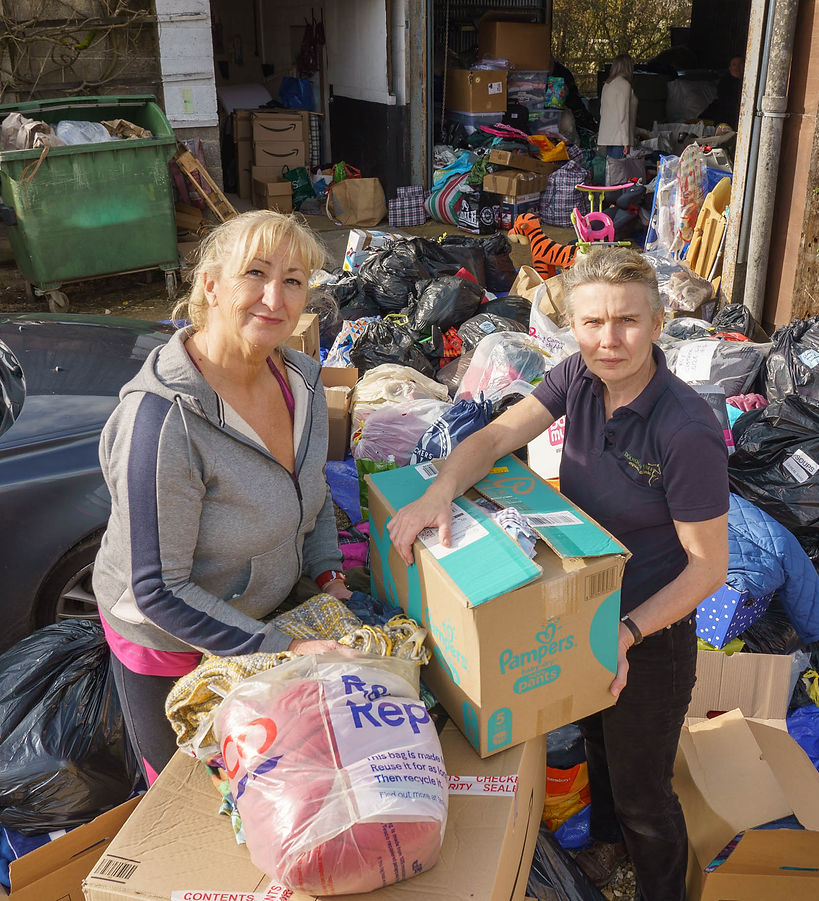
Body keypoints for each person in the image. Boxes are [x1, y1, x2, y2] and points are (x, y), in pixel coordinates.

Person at [387, 247, 729, 901]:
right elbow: (493, 437)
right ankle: (607, 843)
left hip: (647, 632)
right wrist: (439, 492)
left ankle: (662, 887)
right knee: (596, 741)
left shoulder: (685, 429)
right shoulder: (577, 377)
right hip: (584, 608)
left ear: (658, 321)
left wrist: (626, 634)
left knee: (644, 792)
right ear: (573, 325)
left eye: (627, 320)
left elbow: (709, 567)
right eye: (592, 322)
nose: (609, 339)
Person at [93, 210, 353, 786]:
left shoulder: (304, 381)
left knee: (277, 780)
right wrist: (284, 650)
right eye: (254, 274)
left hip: (262, 618)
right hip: (171, 645)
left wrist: (329, 576)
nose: (274, 297)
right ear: (210, 285)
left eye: (293, 280)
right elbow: (157, 589)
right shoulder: (162, 419)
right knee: (191, 794)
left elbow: (309, 493)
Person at [597, 53, 638, 161]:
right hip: (619, 138)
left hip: (607, 136)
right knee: (618, 172)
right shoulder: (624, 84)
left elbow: (602, 111)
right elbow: (623, 115)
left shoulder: (607, 84)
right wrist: (626, 141)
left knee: (610, 171)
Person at [699, 55, 745, 128]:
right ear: (730, 68)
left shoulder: (747, 83)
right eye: (734, 65)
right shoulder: (725, 83)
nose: (737, 67)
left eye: (740, 64)